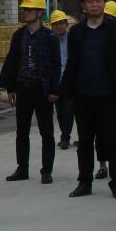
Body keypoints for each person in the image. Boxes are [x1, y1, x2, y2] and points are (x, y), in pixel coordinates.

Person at [60, 0, 116, 200]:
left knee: (115, 141)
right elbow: (72, 64)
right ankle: (85, 182)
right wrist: (65, 92)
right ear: (83, 5)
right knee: (85, 142)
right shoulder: (76, 32)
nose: (94, 5)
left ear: (104, 3)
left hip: (110, 97)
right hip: (84, 97)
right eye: (90, 1)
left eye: (98, 0)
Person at [0, 0, 61, 184]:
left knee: (47, 133)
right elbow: (12, 61)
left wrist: (54, 90)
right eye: (24, 9)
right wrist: (10, 88)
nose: (25, 12)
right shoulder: (19, 36)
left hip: (42, 90)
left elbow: (56, 65)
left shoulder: (50, 37)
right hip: (23, 89)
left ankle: (46, 170)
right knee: (22, 132)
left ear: (40, 13)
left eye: (30, 10)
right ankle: (22, 169)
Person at [93, 0, 116, 179]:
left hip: (115, 93)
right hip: (98, 91)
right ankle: (102, 165)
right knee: (100, 133)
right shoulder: (95, 37)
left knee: (115, 135)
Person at [50, 10, 73, 149]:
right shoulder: (49, 41)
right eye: (56, 24)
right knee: (60, 111)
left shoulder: (72, 40)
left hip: (69, 81)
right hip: (55, 82)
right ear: (51, 26)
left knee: (68, 110)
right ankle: (64, 135)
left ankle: (66, 138)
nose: (59, 26)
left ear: (66, 24)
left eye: (62, 23)